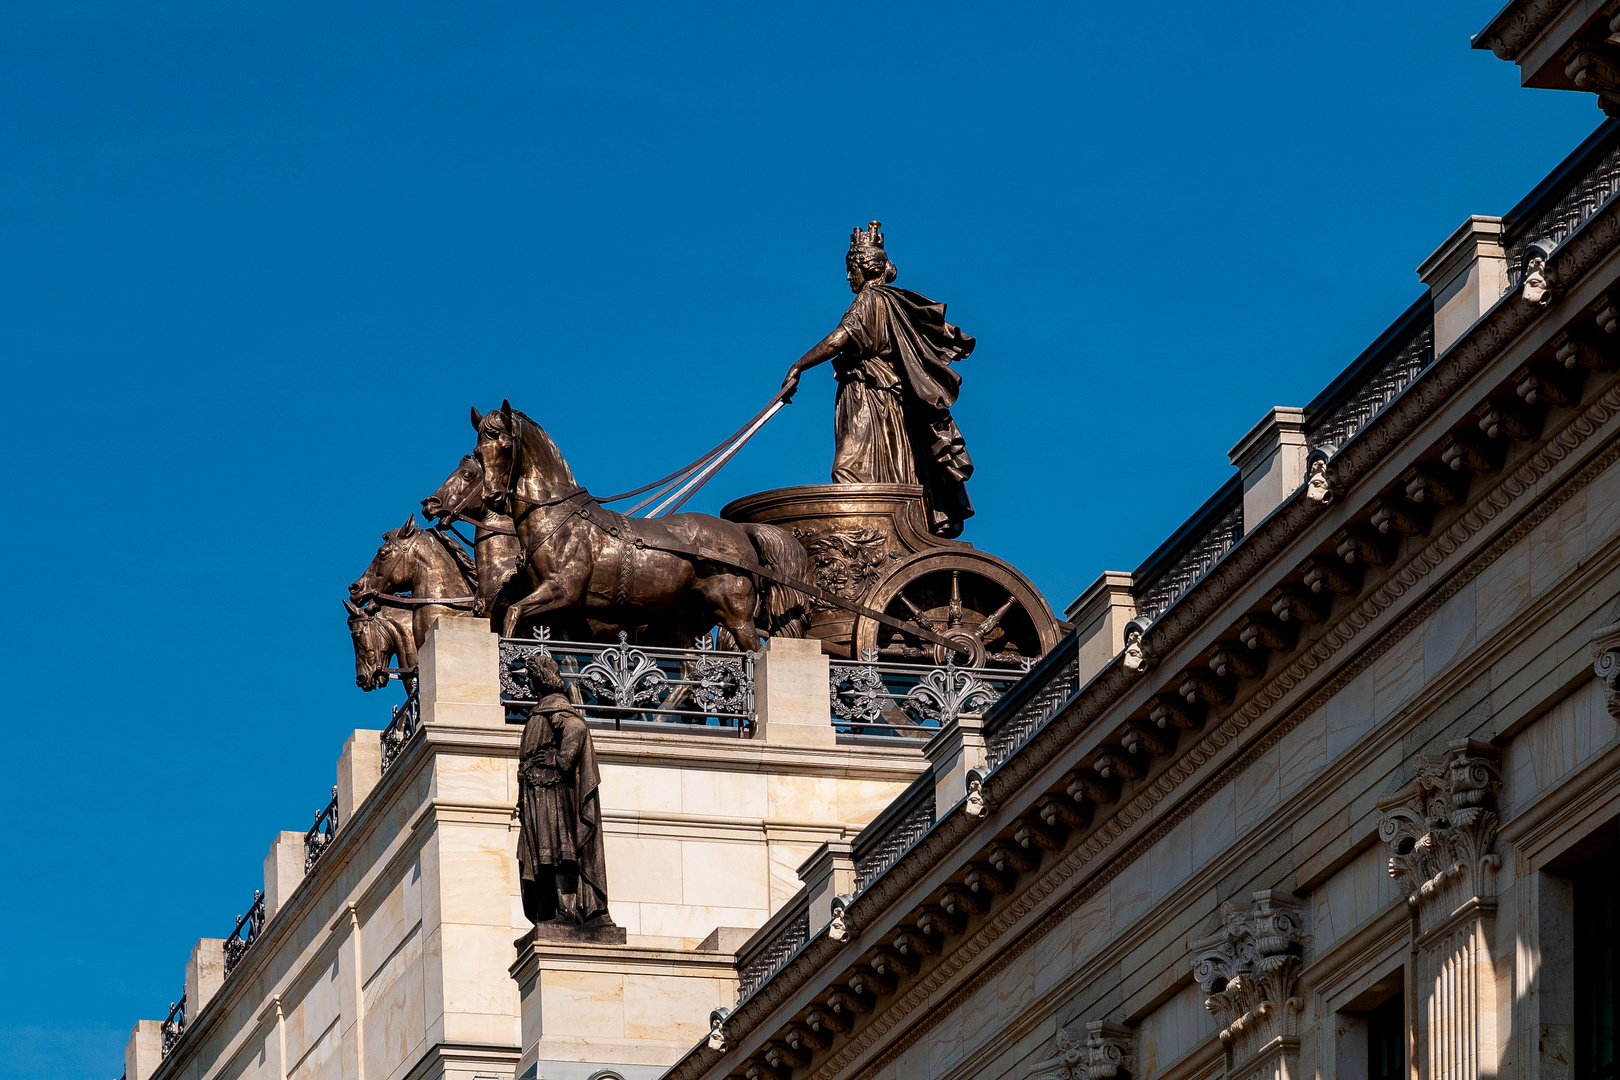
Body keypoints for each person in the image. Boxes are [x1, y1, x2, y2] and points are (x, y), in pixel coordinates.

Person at [781, 221, 976, 538]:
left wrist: (799, 365)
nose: (848, 277)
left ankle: (863, 535)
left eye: (851, 269)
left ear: (866, 267)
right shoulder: (892, 301)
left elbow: (839, 339)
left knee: (850, 468)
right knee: (885, 468)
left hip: (869, 396)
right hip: (885, 400)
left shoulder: (871, 299)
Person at [515, 654, 613, 927]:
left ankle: (567, 911)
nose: (530, 684)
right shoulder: (543, 709)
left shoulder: (555, 707)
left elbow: (577, 727)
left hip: (552, 793)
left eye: (531, 678)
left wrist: (560, 760)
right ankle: (555, 909)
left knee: (560, 852)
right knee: (547, 854)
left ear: (539, 679)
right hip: (537, 794)